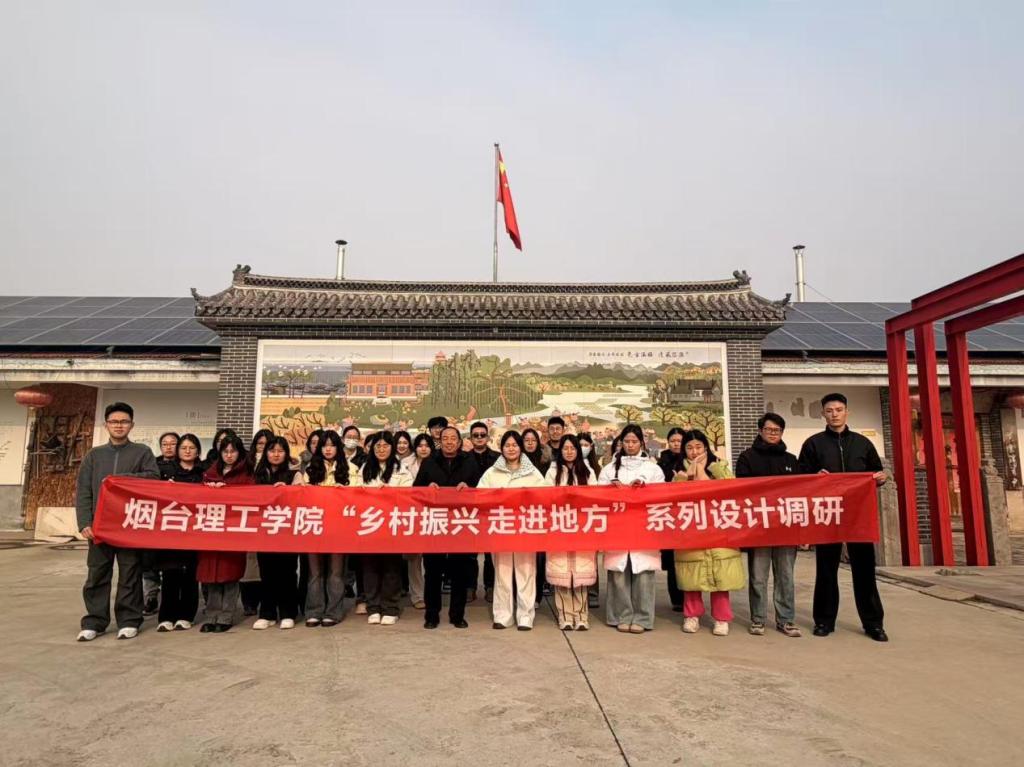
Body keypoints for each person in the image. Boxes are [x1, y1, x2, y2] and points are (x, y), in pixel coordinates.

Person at [799, 393, 889, 642]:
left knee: (864, 571)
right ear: (823, 414)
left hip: (858, 515)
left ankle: (873, 623)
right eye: (829, 410)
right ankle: (824, 621)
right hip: (827, 514)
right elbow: (801, 475)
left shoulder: (862, 443)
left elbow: (876, 473)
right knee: (826, 570)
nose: (834, 414)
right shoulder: (813, 444)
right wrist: (815, 477)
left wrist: (881, 478)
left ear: (847, 412)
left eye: (839, 410)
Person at [75, 402, 160, 641]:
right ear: (106, 425)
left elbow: (153, 478)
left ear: (132, 425)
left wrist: (120, 479)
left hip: (129, 525)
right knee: (97, 574)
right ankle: (95, 621)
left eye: (124, 421)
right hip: (100, 526)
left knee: (130, 574)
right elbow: (83, 490)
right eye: (114, 422)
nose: (119, 426)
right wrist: (84, 522)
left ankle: (129, 619)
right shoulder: (94, 456)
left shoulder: (142, 452)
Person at [736, 413, 802, 638]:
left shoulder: (792, 460)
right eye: (769, 429)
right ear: (760, 431)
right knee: (758, 577)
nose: (773, 434)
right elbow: (742, 490)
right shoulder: (747, 457)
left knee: (785, 577)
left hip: (786, 527)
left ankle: (786, 620)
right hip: (759, 527)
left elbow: (801, 492)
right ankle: (758, 619)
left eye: (777, 430)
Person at [675, 430, 744, 637]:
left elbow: (733, 490)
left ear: (705, 447)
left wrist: (707, 470)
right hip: (691, 528)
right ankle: (691, 615)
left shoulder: (719, 466)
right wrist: (684, 478)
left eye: (698, 446)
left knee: (720, 575)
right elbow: (673, 498)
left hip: (718, 528)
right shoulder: (679, 469)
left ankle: (721, 618)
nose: (694, 451)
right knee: (691, 574)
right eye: (689, 447)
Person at [478, 431, 549, 631]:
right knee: (502, 574)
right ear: (501, 448)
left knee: (526, 572)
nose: (511, 449)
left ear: (520, 447)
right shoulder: (491, 473)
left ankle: (525, 616)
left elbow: (544, 498)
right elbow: (480, 496)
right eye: (507, 445)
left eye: (514, 445)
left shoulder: (533, 473)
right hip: (501, 529)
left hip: (526, 530)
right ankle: (502, 615)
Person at [413, 425, 482, 629]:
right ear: (439, 441)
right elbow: (415, 490)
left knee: (459, 572)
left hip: (460, 525)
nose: (449, 442)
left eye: (453, 438)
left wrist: (469, 488)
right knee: (433, 573)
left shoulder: (469, 461)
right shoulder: (429, 461)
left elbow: (481, 489)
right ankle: (431, 615)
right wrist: (427, 489)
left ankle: (457, 615)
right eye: (445, 438)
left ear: (459, 442)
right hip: (436, 524)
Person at [598, 424, 664, 633]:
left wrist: (643, 489)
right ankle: (621, 615)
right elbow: (598, 496)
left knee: (643, 575)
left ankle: (643, 618)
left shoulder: (653, 469)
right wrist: (612, 490)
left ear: (641, 443)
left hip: (643, 528)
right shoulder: (609, 469)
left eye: (634, 441)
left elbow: (662, 495)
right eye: (626, 441)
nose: (630, 445)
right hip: (618, 527)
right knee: (619, 575)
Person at [293, 430, 354, 627]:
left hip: (339, 529)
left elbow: (359, 497)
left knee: (336, 573)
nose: (328, 449)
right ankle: (314, 611)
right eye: (324, 445)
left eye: (332, 445)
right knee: (315, 573)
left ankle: (333, 612)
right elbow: (301, 495)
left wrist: (346, 493)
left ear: (338, 448)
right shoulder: (311, 469)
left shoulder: (351, 469)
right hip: (315, 527)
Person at [198, 434, 253, 633]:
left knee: (230, 575)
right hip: (212, 532)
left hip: (233, 532)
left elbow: (252, 499)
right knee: (211, 576)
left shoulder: (247, 475)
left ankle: (226, 616)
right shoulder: (210, 473)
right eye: (225, 451)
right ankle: (211, 615)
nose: (229, 455)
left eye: (233, 451)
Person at [545, 435, 598, 630]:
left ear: (578, 450)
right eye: (565, 448)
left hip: (583, 528)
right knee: (562, 573)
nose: (569, 452)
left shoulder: (588, 472)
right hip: (559, 527)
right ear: (560, 451)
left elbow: (597, 498)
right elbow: (545, 498)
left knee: (581, 574)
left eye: (572, 448)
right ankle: (565, 616)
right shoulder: (552, 472)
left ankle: (582, 616)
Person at [360, 432, 412, 625]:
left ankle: (390, 607)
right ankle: (373, 607)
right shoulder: (365, 468)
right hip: (369, 524)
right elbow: (355, 493)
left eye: (385, 446)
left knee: (392, 568)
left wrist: (390, 493)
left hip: (392, 525)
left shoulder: (402, 470)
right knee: (370, 568)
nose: (381, 450)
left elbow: (408, 494)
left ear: (392, 448)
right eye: (378, 446)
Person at [155, 433, 203, 632]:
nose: (187, 451)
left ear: (198, 451)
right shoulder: (165, 471)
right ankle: (166, 616)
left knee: (190, 574)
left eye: (192, 448)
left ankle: (186, 615)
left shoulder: (204, 472)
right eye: (183, 448)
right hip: (172, 529)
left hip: (195, 530)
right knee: (170, 573)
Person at [252, 436, 299, 631]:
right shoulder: (257, 474)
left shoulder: (294, 474)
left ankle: (288, 612)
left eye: (280, 451)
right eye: (272, 450)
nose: (276, 454)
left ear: (286, 453)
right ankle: (267, 613)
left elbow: (302, 496)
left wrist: (288, 491)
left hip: (287, 531)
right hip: (263, 531)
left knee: (287, 572)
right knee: (266, 572)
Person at [466, 421, 499, 603]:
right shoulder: (463, 458)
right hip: (470, 511)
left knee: (490, 552)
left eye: (482, 435)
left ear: (487, 437)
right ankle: (470, 587)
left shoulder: (498, 458)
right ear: (470, 438)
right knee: (470, 552)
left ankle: (490, 586)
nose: (479, 438)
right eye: (475, 435)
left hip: (492, 510)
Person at [403, 433, 434, 609]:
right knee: (413, 559)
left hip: (432, 516)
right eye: (420, 445)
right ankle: (417, 595)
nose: (423, 449)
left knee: (431, 558)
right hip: (411, 514)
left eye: (427, 445)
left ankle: (431, 593)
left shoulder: (438, 463)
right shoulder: (404, 464)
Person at [657, 427, 687, 613]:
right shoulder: (662, 463)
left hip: (687, 514)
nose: (676, 444)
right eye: (673, 441)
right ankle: (676, 599)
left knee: (688, 557)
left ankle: (689, 597)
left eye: (679, 440)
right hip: (668, 514)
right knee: (672, 560)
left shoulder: (691, 461)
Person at [578, 432, 603, 610]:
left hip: (590, 517)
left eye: (585, 445)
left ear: (591, 447)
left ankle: (592, 592)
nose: (582, 448)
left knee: (590, 557)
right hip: (572, 518)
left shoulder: (597, 469)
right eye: (579, 445)